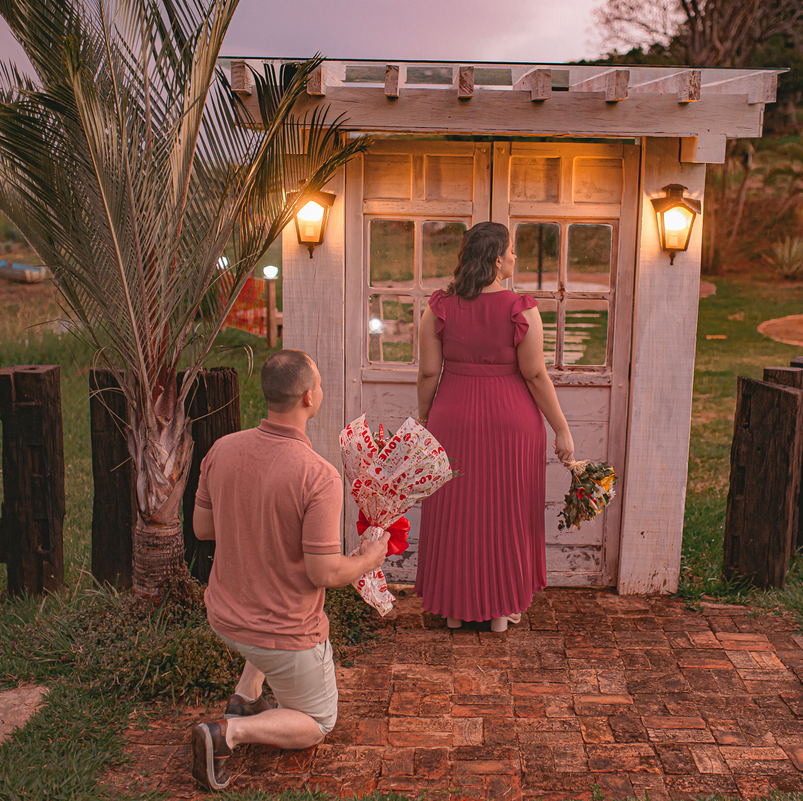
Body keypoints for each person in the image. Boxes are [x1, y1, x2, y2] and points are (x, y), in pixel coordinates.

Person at [189, 349, 389, 791]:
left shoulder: (222, 450)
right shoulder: (317, 476)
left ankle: (245, 699)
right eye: (317, 384)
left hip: (224, 615)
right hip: (282, 634)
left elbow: (203, 529)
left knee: (266, 608)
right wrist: (370, 559)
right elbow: (324, 574)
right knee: (318, 721)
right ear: (308, 398)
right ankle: (227, 733)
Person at [414, 221, 575, 633]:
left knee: (456, 512)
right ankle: (501, 610)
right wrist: (562, 429)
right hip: (511, 420)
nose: (516, 257)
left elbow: (429, 373)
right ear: (497, 258)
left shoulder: (439, 307)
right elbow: (536, 375)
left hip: (454, 417)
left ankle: (453, 610)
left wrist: (427, 417)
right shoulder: (521, 308)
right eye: (512, 251)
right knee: (508, 512)